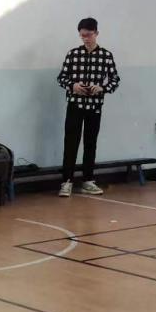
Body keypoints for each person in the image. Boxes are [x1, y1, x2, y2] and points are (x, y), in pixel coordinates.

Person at [55, 17, 120, 197]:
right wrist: (73, 85)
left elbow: (115, 79)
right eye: (82, 35)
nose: (85, 39)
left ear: (96, 33)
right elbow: (61, 78)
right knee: (71, 142)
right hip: (75, 104)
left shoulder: (106, 56)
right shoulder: (73, 54)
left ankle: (88, 181)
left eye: (89, 35)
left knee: (90, 143)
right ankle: (66, 182)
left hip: (95, 106)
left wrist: (102, 88)